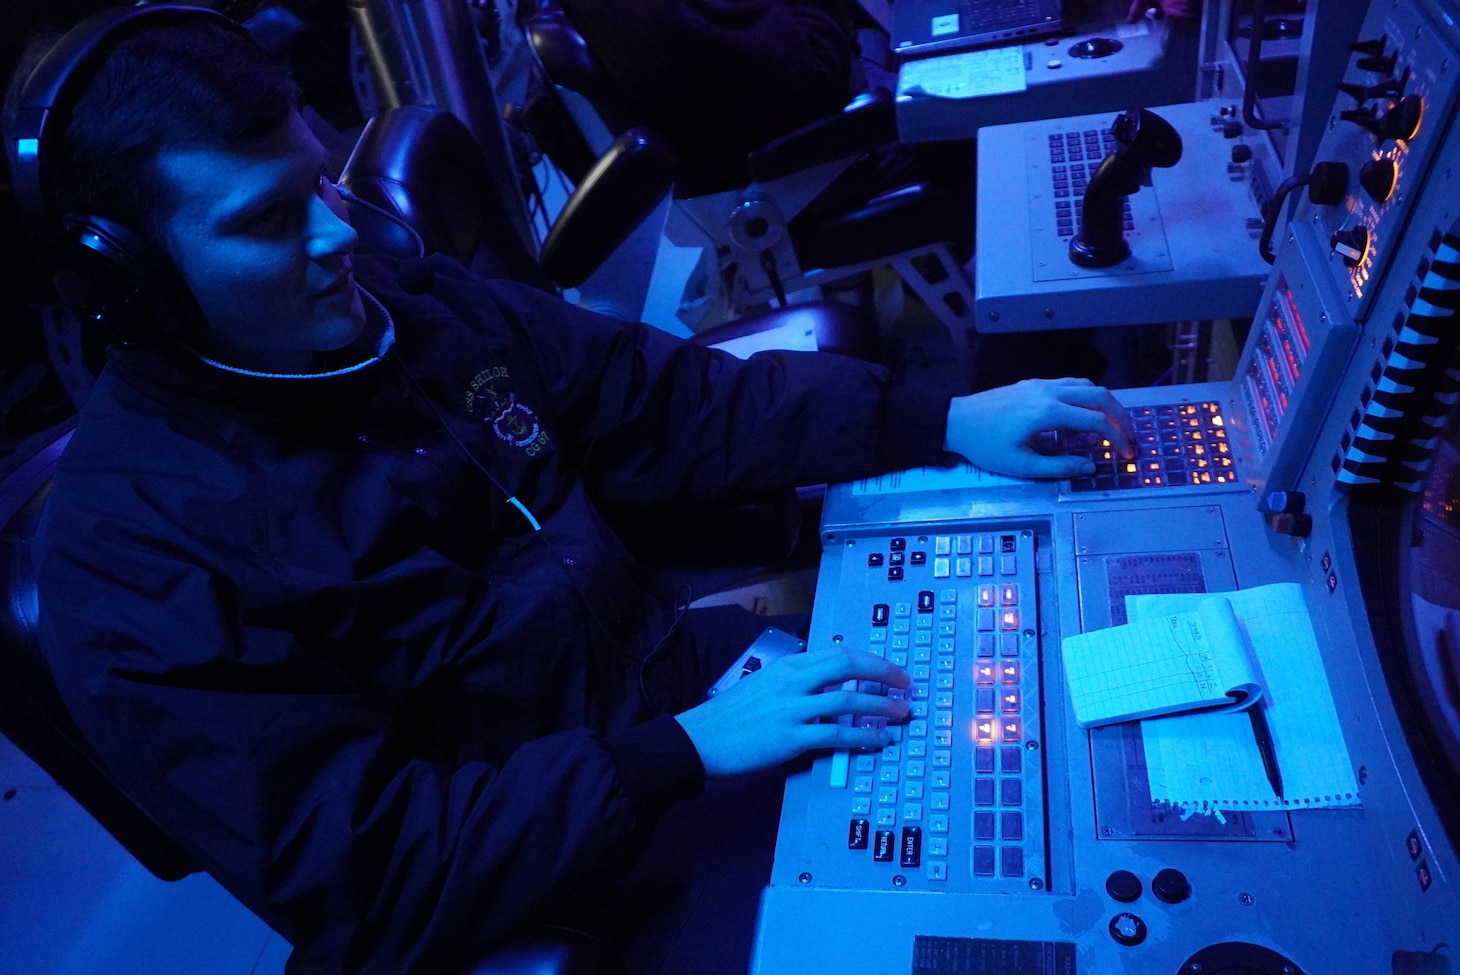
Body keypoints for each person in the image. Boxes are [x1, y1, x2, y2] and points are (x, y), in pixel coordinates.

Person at [6, 11, 1135, 975]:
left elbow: (660, 398)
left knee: (1039, 746)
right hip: (542, 874)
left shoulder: (401, 304)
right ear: (133, 281)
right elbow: (374, 873)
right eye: (263, 221)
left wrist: (932, 421)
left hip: (660, 701)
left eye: (316, 182)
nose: (335, 233)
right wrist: (683, 751)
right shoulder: (130, 561)